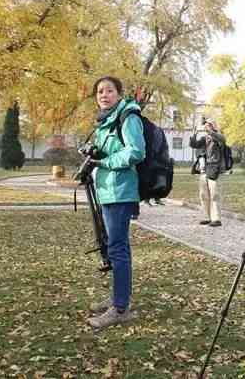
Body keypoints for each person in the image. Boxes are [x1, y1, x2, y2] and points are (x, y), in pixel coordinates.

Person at [86, 76, 146, 330]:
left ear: (119, 94)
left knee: (118, 249)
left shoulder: (128, 116)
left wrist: (105, 162)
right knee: (115, 247)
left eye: (110, 90)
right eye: (100, 91)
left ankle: (120, 308)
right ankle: (119, 299)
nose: (104, 95)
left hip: (120, 191)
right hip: (108, 191)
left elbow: (136, 151)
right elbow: (111, 151)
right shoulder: (106, 121)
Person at [188, 119, 226, 227]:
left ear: (213, 126)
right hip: (204, 169)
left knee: (214, 194)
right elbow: (193, 144)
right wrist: (194, 133)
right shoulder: (205, 138)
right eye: (206, 125)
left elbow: (222, 139)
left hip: (215, 168)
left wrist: (210, 131)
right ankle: (207, 217)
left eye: (209, 125)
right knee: (203, 194)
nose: (206, 127)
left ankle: (216, 218)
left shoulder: (218, 137)